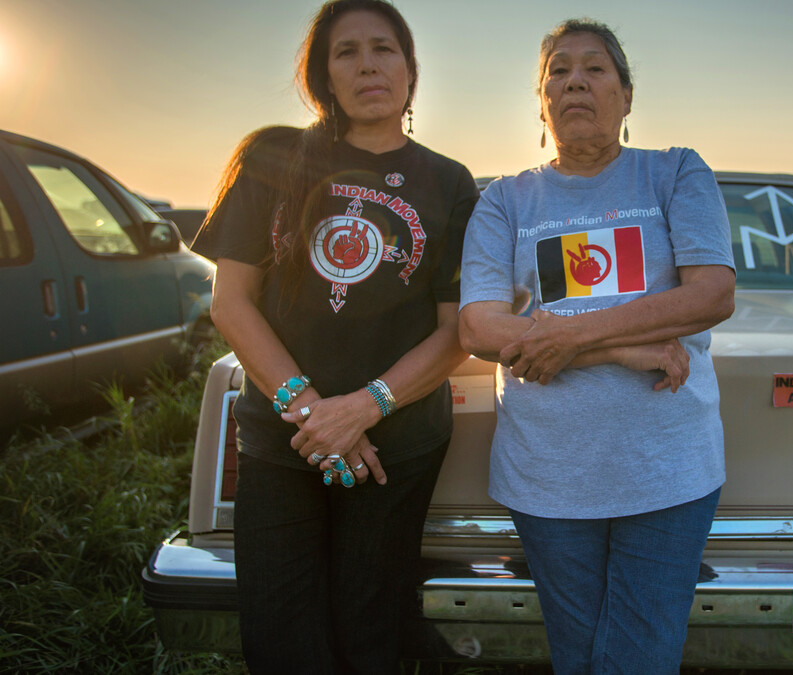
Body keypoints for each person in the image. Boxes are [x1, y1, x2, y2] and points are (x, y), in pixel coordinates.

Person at [189, 1, 477, 671]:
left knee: (371, 632)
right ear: (324, 73)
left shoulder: (449, 180)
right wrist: (316, 411)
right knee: (282, 637)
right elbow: (231, 302)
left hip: (394, 448)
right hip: (284, 441)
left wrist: (363, 408)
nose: (368, 64)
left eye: (385, 48)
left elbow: (454, 330)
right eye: (346, 51)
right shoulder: (274, 157)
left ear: (411, 68)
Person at [457, 18, 736, 674]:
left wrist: (576, 332)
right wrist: (616, 350)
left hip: (667, 472)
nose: (575, 79)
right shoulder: (504, 200)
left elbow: (711, 294)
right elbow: (478, 328)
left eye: (595, 68)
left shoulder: (674, 174)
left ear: (627, 95)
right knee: (578, 655)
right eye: (558, 69)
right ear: (541, 98)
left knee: (637, 657)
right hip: (546, 477)